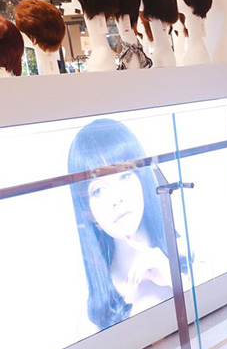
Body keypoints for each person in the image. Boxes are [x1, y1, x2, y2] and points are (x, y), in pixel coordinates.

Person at [68, 119, 174, 330]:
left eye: (124, 176)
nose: (116, 199)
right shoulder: (93, 323)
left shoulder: (195, 262)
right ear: (88, 213)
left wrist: (176, 281)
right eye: (98, 190)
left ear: (142, 178)